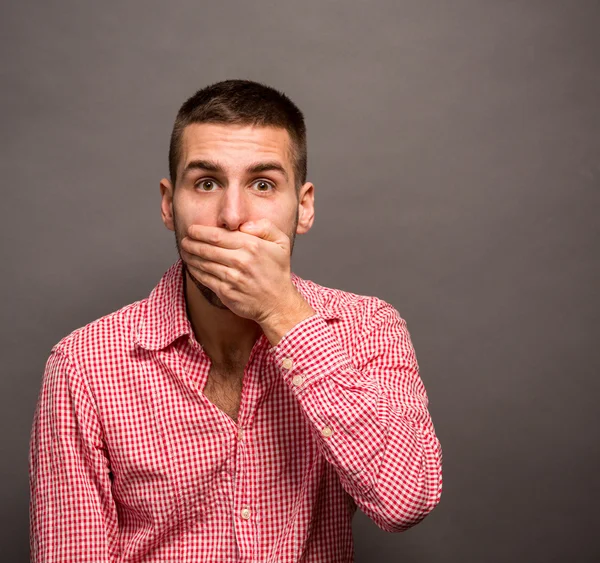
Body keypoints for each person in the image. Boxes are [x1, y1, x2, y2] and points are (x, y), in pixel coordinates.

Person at [29, 79, 443, 562]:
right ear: (169, 204)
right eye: (206, 183)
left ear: (303, 207)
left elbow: (407, 499)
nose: (232, 215)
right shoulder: (84, 364)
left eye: (262, 184)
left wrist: (281, 312)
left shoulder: (367, 327)